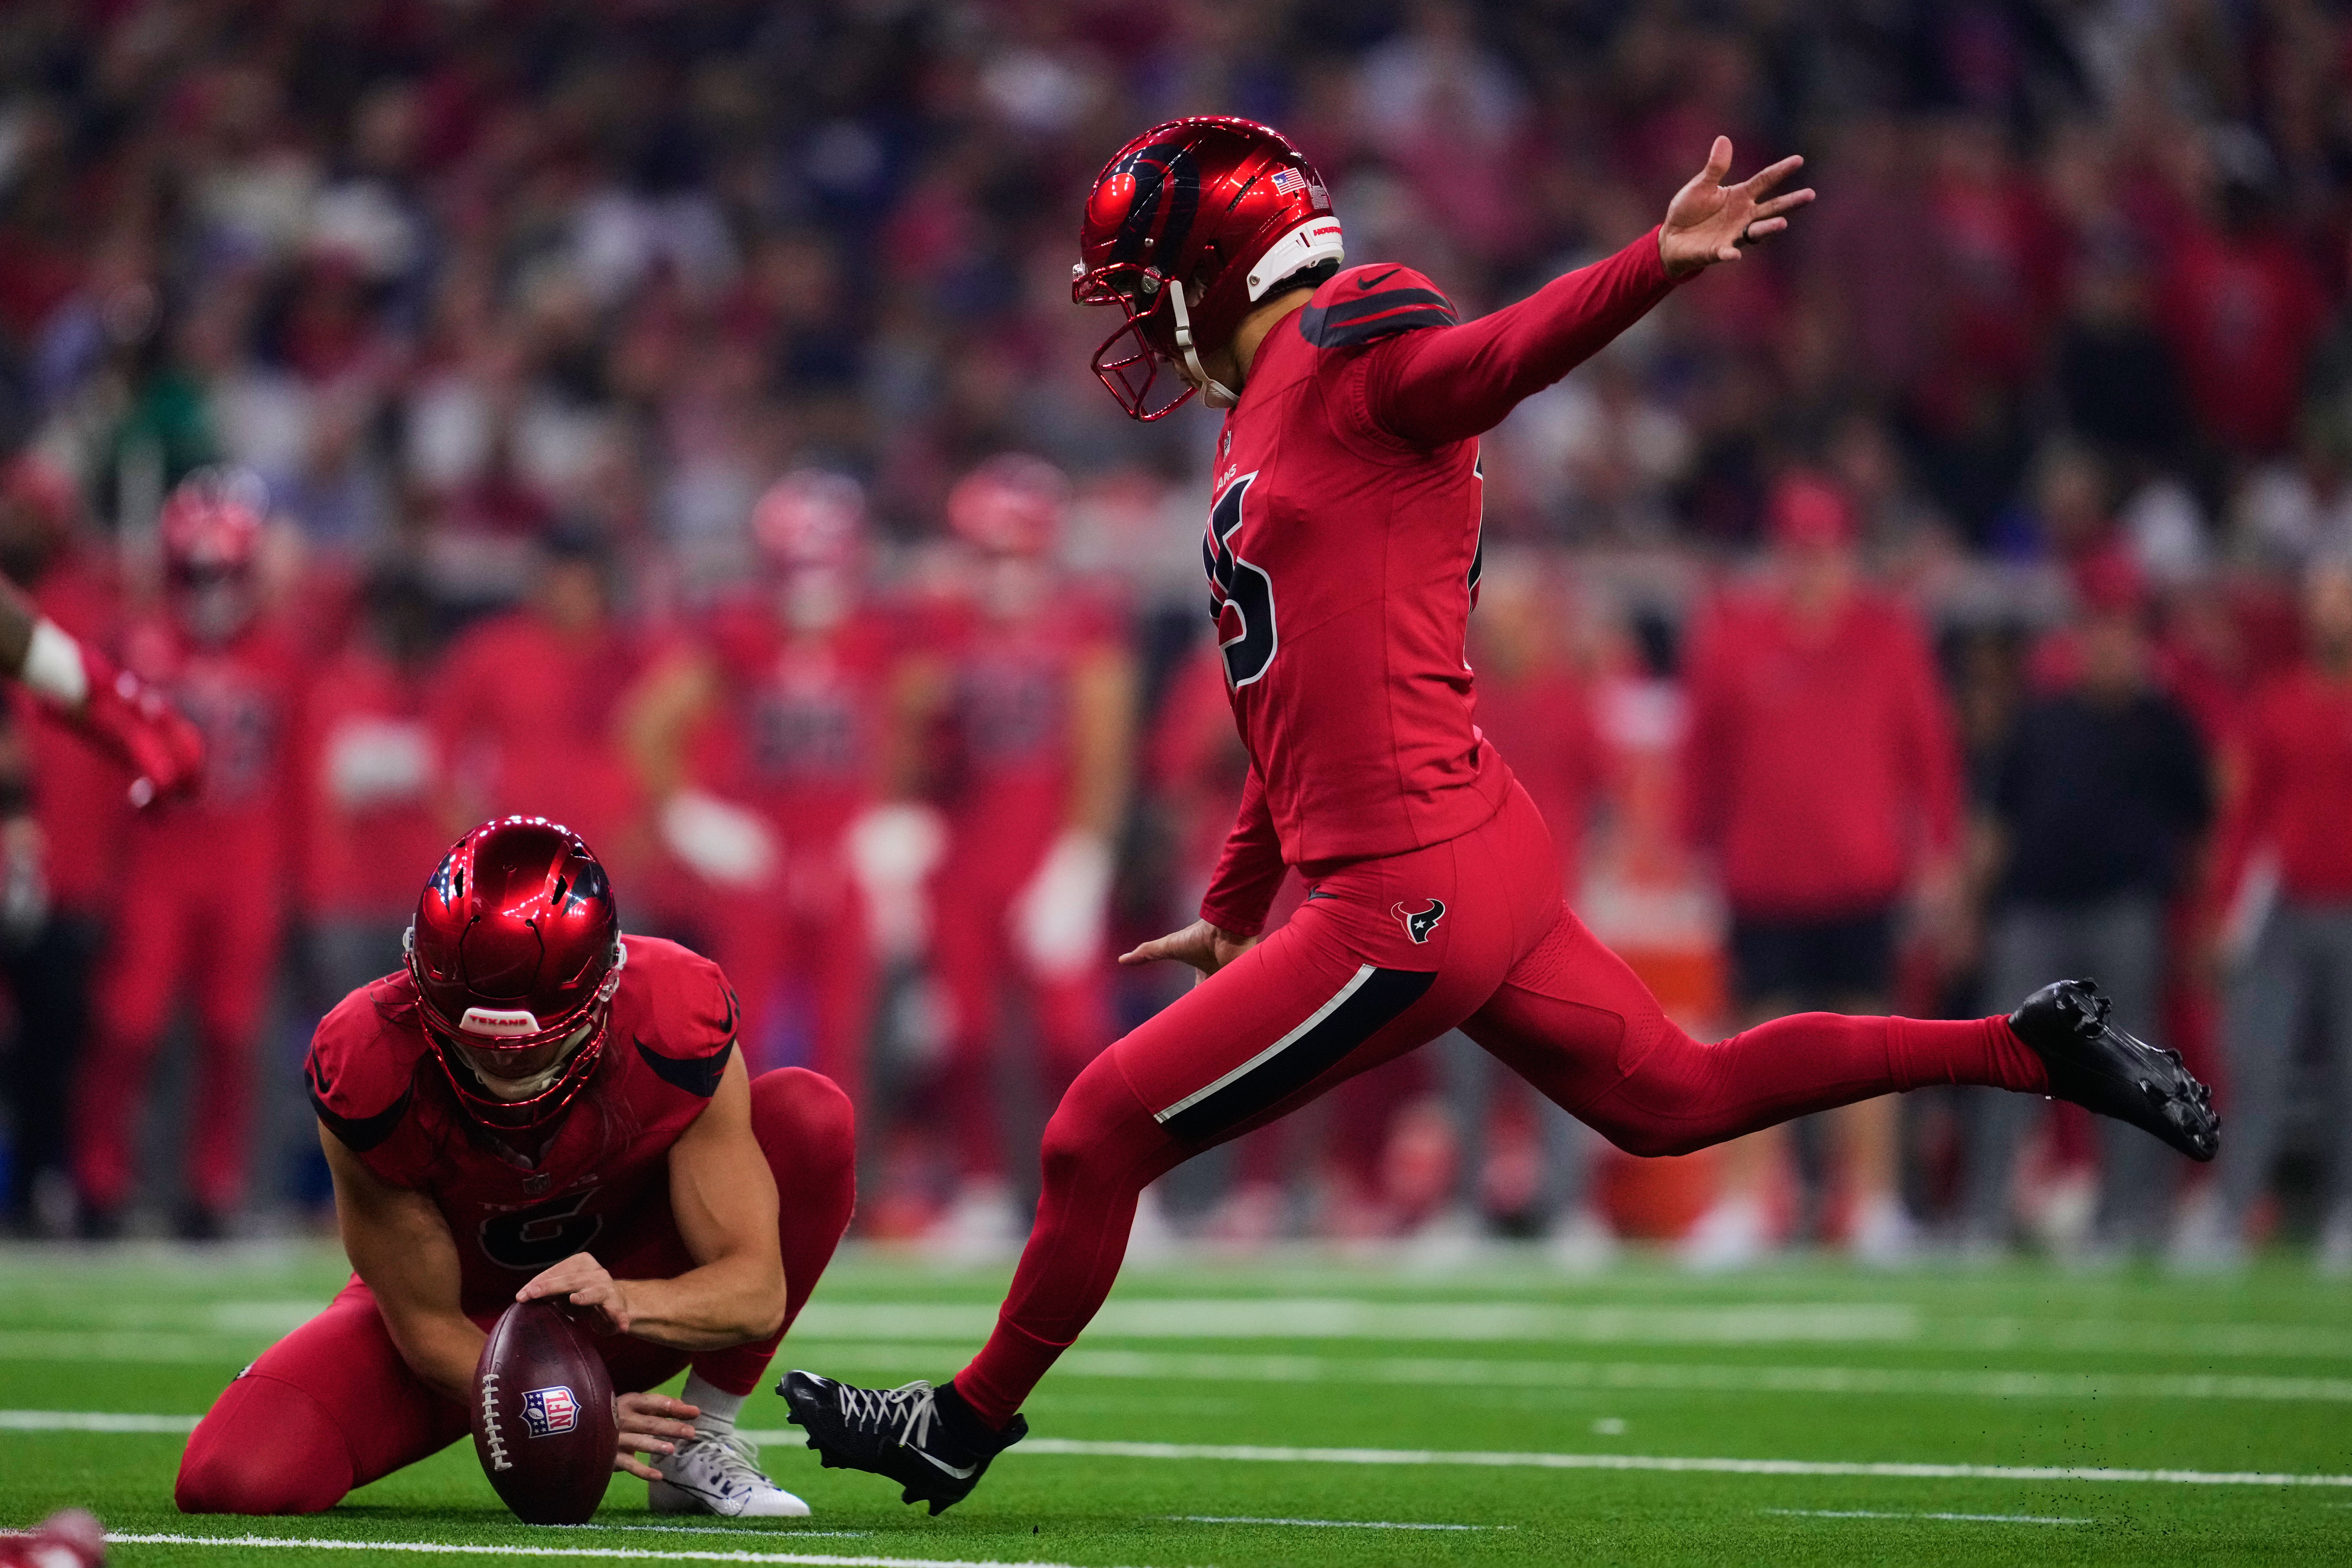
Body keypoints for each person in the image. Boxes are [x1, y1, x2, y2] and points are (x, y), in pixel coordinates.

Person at [780, 116, 2217, 1514]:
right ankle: (2029, 1048)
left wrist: (1647, 266)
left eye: (1149, 287)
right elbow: (1292, 698)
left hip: (1404, 886)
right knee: (1678, 1100)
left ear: (1217, 263)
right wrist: (1230, 899)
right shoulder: (1272, 408)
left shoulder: (1351, 348)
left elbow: (1491, 360)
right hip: (1461, 842)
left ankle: (960, 1427)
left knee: (1095, 1128)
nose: (1144, 328)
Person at [174, 816, 856, 1517]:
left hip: (623, 1295)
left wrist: (627, 1298)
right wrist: (559, 1406)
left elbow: (754, 1290)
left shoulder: (672, 1013)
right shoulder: (368, 1058)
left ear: (605, 988)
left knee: (808, 1117)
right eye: (477, 1039)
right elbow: (424, 1321)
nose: (503, 1060)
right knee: (232, 1478)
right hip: (463, 1329)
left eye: (532, 1046)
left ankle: (699, 1440)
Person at [1676, 472, 1964, 1268]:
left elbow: (1929, 754)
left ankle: (1871, 1205)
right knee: (1753, 1046)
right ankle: (1742, 1205)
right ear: (1778, 552)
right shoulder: (1735, 639)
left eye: (1824, 550)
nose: (1810, 568)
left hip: (1861, 876)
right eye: (1797, 551)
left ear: (1845, 552)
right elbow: (1703, 754)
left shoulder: (1888, 638)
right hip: (1762, 876)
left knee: (1866, 1043)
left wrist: (1939, 850)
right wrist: (1690, 844)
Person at [623, 470, 911, 1102]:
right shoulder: (741, 632)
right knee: (740, 1023)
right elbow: (649, 721)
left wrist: (903, 813)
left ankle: (834, 1182)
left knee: (843, 1031)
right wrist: (689, 814)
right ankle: (739, 1181)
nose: (810, 589)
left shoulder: (881, 635)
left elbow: (921, 726)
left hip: (845, 848)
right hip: (765, 848)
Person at [912, 455, 1136, 1257]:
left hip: (1046, 846)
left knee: (1073, 1038)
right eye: (988, 554)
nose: (1003, 572)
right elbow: (906, 736)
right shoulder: (942, 625)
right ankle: (978, 1186)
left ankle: (1113, 1188)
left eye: (1016, 552)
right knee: (963, 1035)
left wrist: (1082, 855)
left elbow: (1103, 743)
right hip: (965, 856)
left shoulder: (1083, 621)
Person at [1964, 556, 2214, 1255]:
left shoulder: (2165, 724)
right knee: (1998, 1059)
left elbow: (2201, 826)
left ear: (2140, 637)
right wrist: (1968, 907)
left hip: (2125, 911)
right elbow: (1997, 822)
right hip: (2033, 912)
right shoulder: (2042, 720)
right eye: (2098, 625)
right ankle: (1984, 1218)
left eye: (2121, 626)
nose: (2108, 641)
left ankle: (2130, 1216)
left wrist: (2199, 917)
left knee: (2130, 1070)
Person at [71, 470, 293, 1239]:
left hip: (244, 865)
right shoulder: (138, 642)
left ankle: (214, 1186)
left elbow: (294, 773)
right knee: (129, 1026)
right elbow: (104, 763)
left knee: (232, 1033)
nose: (211, 588)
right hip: (160, 861)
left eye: (224, 571)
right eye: (197, 572)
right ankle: (99, 1180)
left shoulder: (280, 652)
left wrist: (290, 880)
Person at [2183, 557, 2352, 1272]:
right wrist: (2224, 910)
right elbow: (2245, 816)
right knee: (2257, 1066)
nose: (2333, 611)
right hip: (2281, 908)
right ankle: (2232, 1211)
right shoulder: (2278, 702)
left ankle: (2345, 1215)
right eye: (2325, 596)